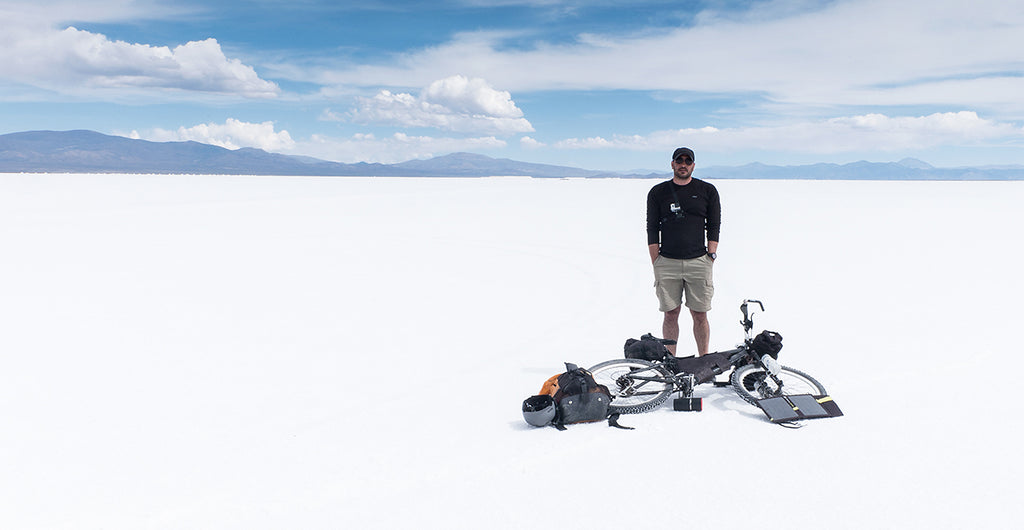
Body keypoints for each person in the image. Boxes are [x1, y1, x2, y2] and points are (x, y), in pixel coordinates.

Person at [646, 147, 721, 356]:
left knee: (700, 314)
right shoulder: (658, 192)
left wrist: (711, 254)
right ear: (672, 164)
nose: (683, 164)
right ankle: (671, 362)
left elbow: (714, 224)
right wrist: (656, 259)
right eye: (680, 160)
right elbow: (652, 227)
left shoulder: (707, 190)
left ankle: (704, 359)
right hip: (667, 263)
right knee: (670, 314)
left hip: (699, 261)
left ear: (693, 166)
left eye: (688, 161)